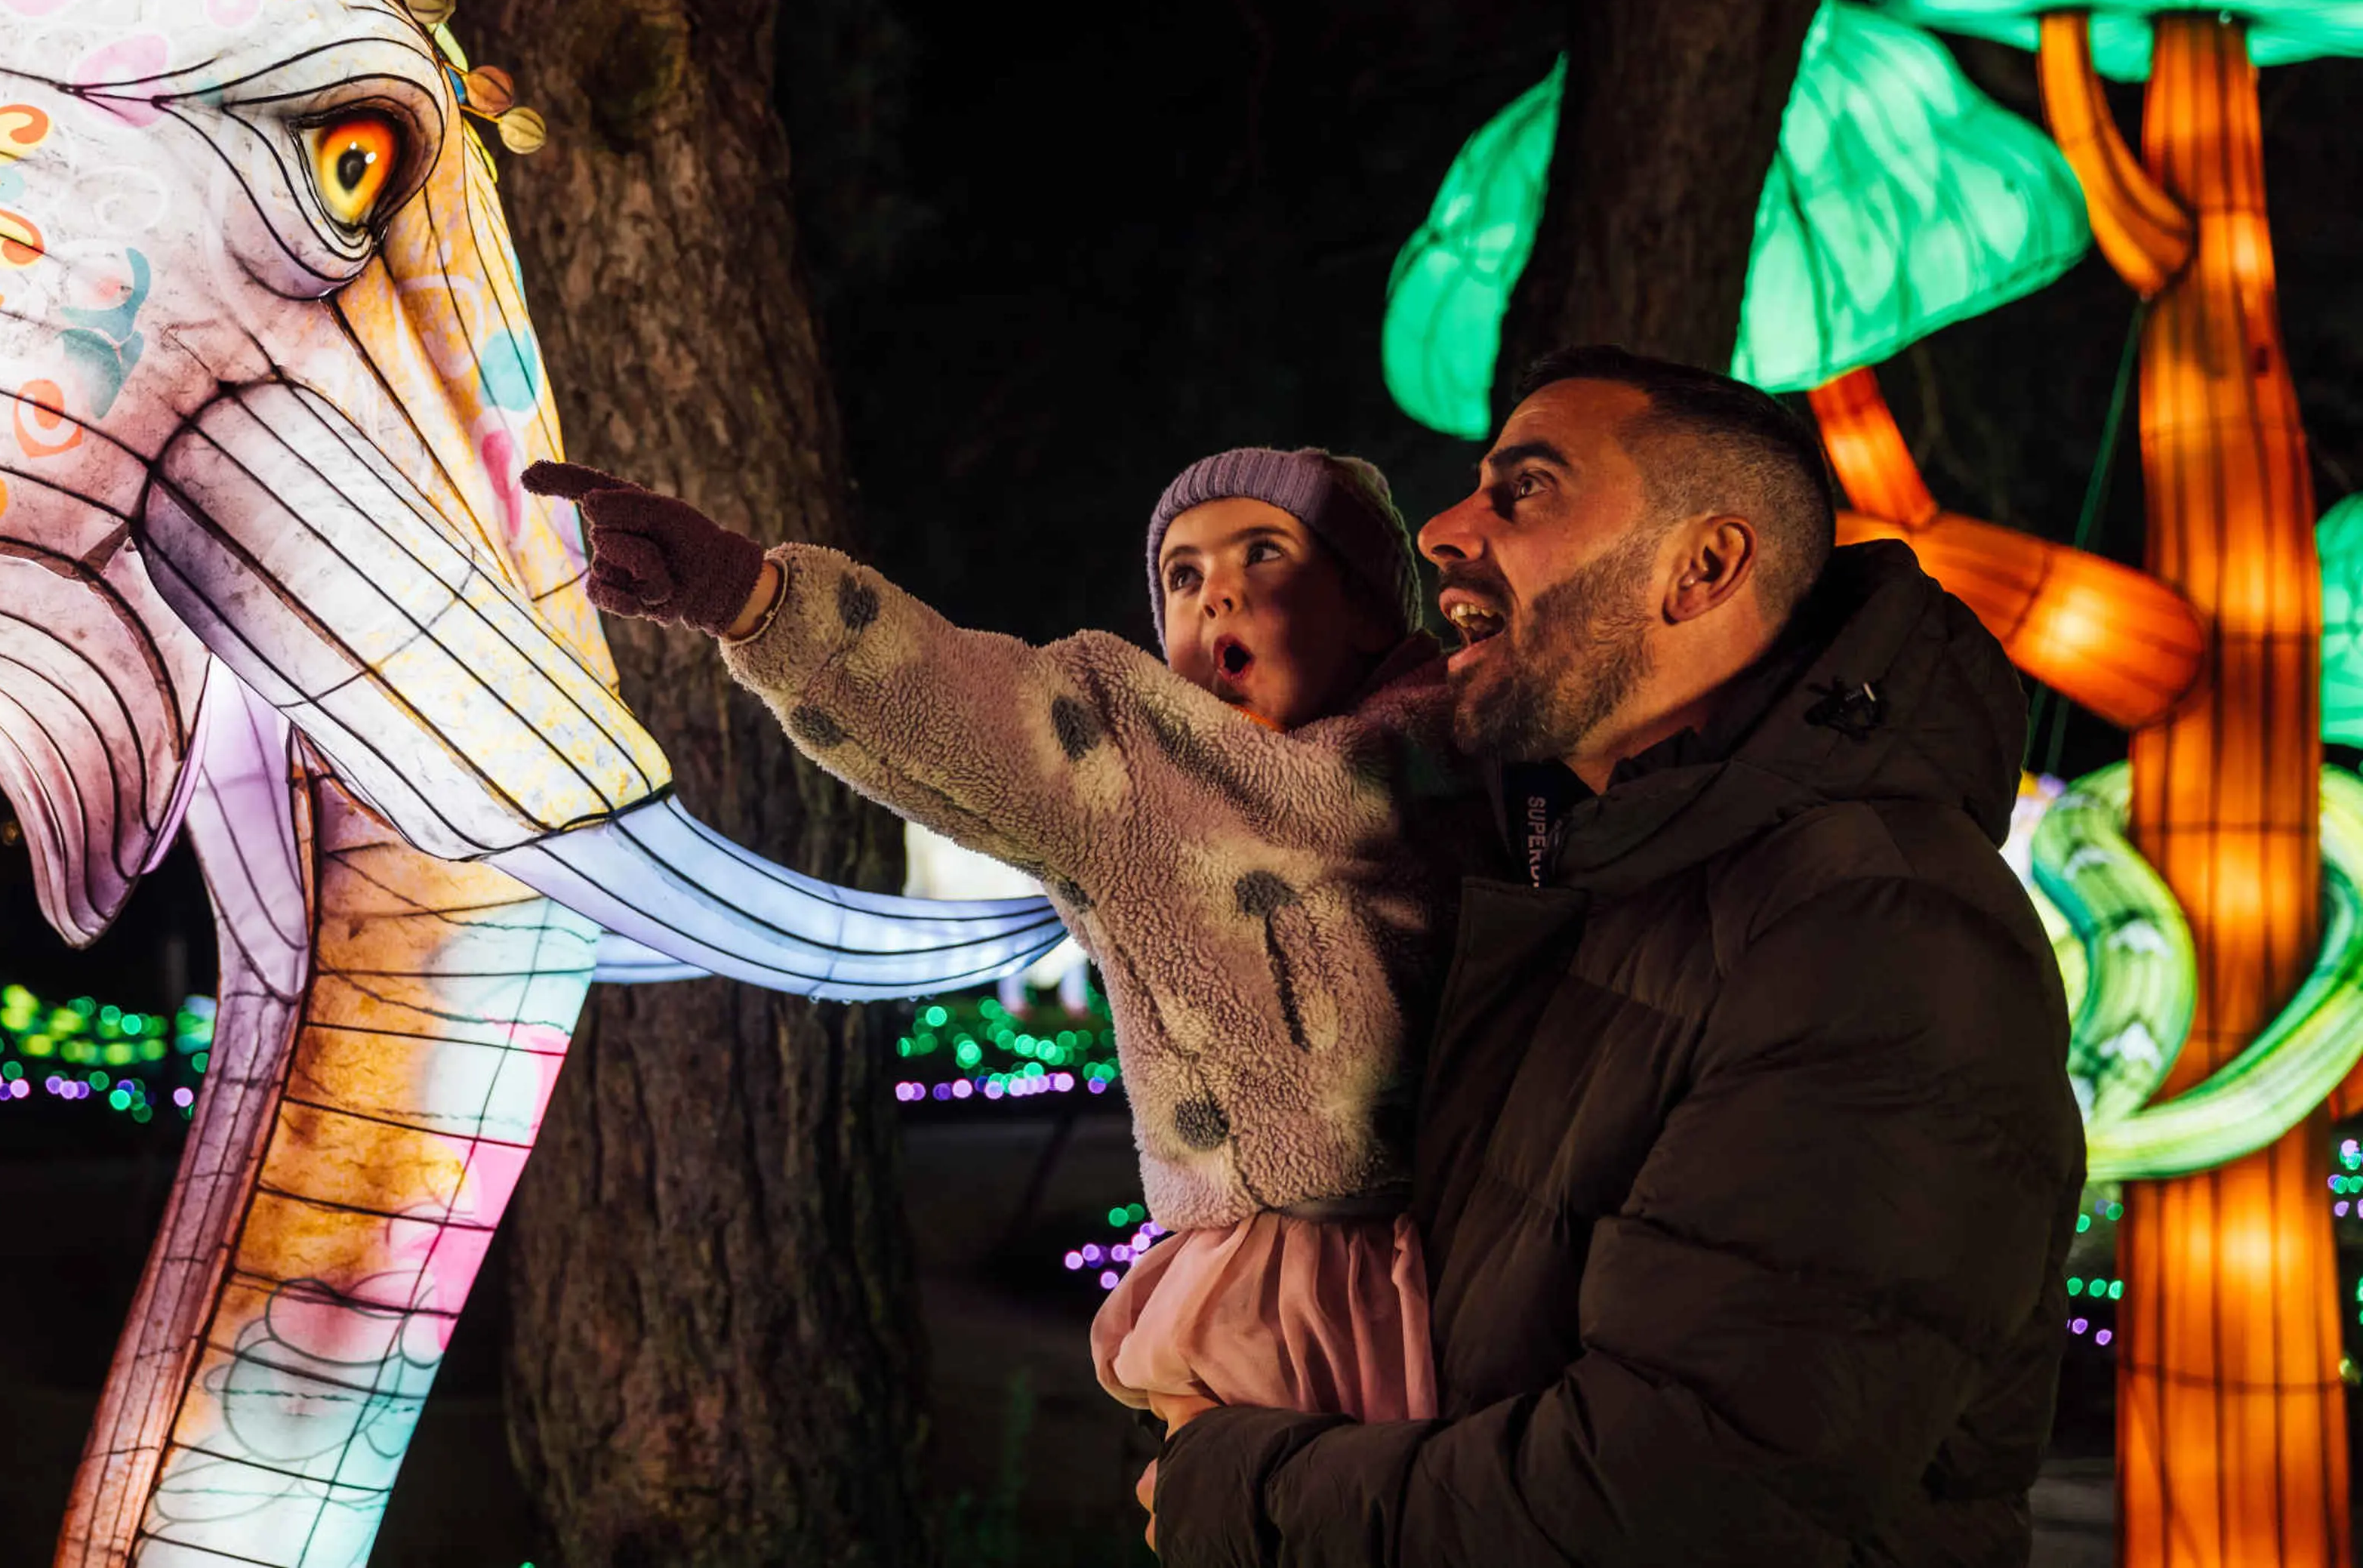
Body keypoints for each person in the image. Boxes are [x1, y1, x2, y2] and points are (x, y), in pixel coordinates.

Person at [1145, 346, 2087, 1566]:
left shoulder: (1881, 929)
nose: (1442, 529)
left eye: (1525, 489)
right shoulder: (1597, 872)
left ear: (1702, 567)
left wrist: (1248, 1496)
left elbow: (1685, 1496)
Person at [520, 446, 1489, 1433]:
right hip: (1276, 1308)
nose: (1217, 597)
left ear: (1369, 607)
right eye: (1183, 576)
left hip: (1452, 1285)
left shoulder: (1466, 770)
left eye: (1265, 555)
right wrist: (749, 595)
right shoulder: (1149, 786)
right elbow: (978, 713)